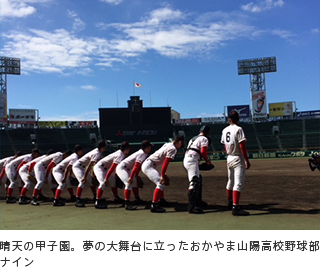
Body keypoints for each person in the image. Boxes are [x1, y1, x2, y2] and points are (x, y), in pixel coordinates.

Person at [142, 135, 185, 213]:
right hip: (149, 166)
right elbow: (166, 163)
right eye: (181, 144)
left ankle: (161, 200)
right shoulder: (173, 149)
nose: (180, 147)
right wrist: (162, 175)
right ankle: (154, 205)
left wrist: (163, 175)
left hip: (149, 164)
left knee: (162, 182)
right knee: (160, 183)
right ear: (180, 142)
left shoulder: (168, 144)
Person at [221, 110, 251, 216]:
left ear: (229, 119)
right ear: (238, 119)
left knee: (230, 181)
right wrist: (247, 160)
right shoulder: (239, 129)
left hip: (229, 157)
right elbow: (242, 146)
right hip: (238, 157)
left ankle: (230, 203)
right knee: (238, 183)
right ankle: (235, 206)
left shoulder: (224, 130)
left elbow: (225, 145)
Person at [116, 140, 153, 210]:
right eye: (149, 147)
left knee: (135, 182)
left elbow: (138, 167)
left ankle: (137, 199)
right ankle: (127, 203)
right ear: (146, 148)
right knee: (128, 183)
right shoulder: (142, 153)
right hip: (122, 168)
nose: (150, 148)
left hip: (127, 169)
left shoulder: (144, 154)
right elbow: (136, 166)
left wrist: (136, 176)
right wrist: (131, 177)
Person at [183, 125, 212, 214]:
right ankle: (192, 207)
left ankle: (198, 202)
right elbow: (203, 151)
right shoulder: (204, 139)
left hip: (188, 159)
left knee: (199, 178)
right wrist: (208, 161)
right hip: (192, 160)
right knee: (194, 182)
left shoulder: (193, 138)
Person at [93, 141, 131, 209]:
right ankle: (97, 202)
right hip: (99, 167)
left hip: (105, 168)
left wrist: (116, 175)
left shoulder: (120, 153)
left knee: (113, 181)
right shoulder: (120, 155)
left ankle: (116, 197)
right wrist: (106, 178)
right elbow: (112, 168)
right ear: (127, 149)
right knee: (103, 183)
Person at [72, 140, 106, 207]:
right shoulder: (97, 153)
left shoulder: (97, 151)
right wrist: (85, 176)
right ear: (102, 148)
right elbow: (90, 165)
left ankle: (95, 196)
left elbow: (93, 164)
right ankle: (77, 200)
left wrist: (91, 175)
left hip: (83, 167)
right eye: (104, 147)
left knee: (91, 182)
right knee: (82, 182)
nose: (105, 149)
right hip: (77, 167)